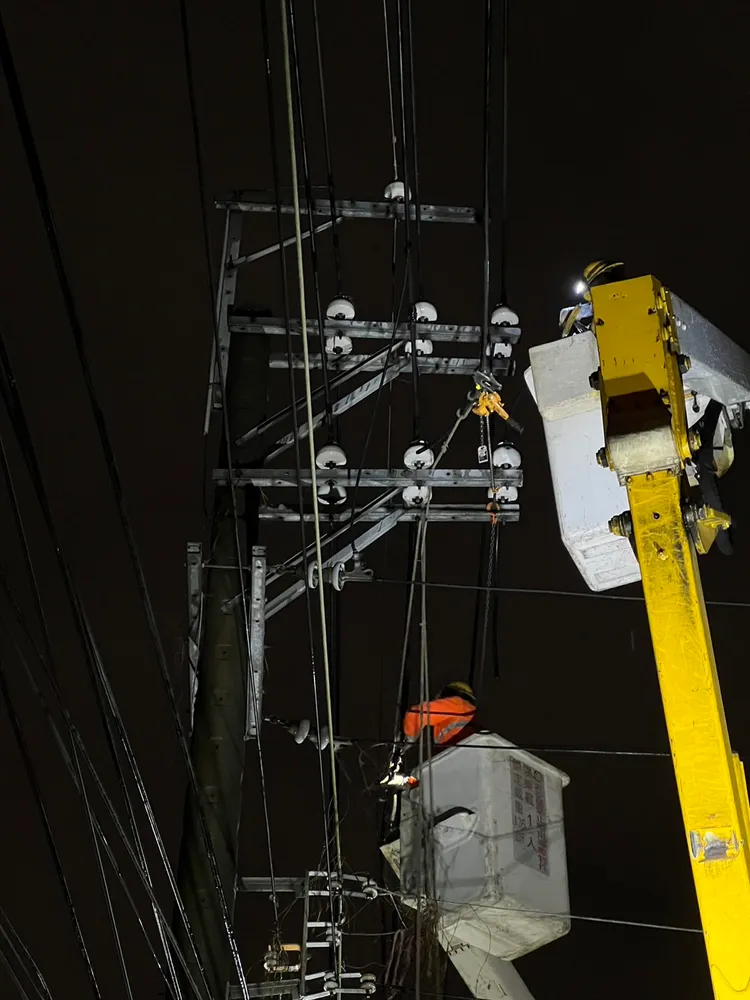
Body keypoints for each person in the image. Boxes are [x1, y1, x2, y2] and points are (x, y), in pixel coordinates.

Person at [402, 681, 477, 748]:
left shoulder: (458, 704)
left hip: (461, 751)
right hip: (458, 753)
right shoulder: (463, 712)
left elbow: (417, 713)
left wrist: (409, 740)